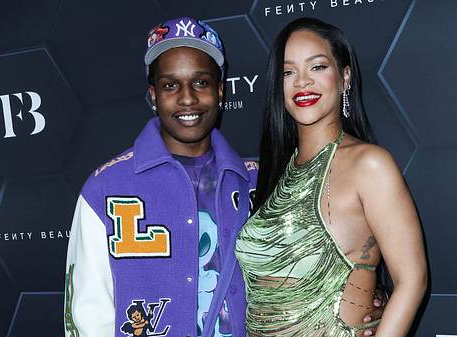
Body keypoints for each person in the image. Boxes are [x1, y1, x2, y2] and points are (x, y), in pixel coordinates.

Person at [64, 16, 384, 337]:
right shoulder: (105, 188)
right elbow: (87, 316)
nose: (187, 98)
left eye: (201, 82)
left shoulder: (264, 181)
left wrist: (366, 299)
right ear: (152, 95)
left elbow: (320, 258)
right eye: (170, 85)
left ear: (220, 90)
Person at [235, 17, 427, 337]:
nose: (302, 82)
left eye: (318, 67)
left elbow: (412, 280)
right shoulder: (274, 174)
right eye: (288, 71)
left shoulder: (369, 165)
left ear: (345, 76)